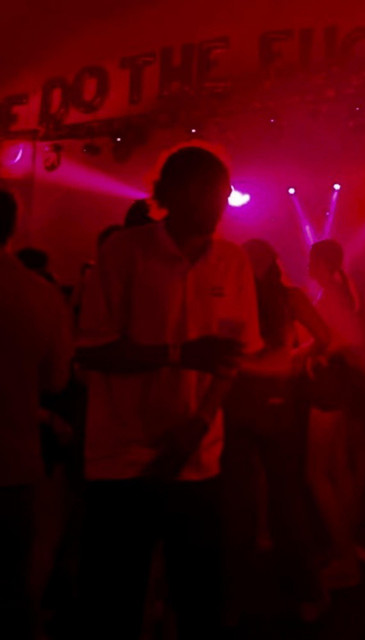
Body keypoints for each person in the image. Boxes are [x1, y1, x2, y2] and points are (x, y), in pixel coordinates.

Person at [75, 145, 263, 640]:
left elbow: (231, 358)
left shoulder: (232, 260)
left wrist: (197, 425)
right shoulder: (124, 251)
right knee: (112, 603)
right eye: (207, 191)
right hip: (122, 457)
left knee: (198, 600)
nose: (218, 203)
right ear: (173, 192)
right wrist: (179, 354)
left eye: (222, 192)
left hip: (197, 458)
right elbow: (92, 351)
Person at [223, 238, 331, 623]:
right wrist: (293, 358)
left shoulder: (232, 297)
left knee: (237, 499)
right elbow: (325, 337)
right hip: (279, 397)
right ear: (274, 263)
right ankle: (305, 594)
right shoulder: (290, 297)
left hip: (238, 396)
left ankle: (234, 600)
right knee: (286, 495)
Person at [0, 189, 74, 640]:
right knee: (11, 588)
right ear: (12, 227)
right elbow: (56, 380)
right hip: (13, 459)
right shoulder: (39, 295)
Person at [307, 239, 365, 589]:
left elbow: (348, 340)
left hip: (329, 385)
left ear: (321, 263)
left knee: (316, 473)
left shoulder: (330, 294)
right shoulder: (339, 291)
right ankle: (344, 545)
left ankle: (346, 560)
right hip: (341, 385)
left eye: (311, 260)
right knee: (337, 468)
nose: (307, 265)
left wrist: (316, 354)